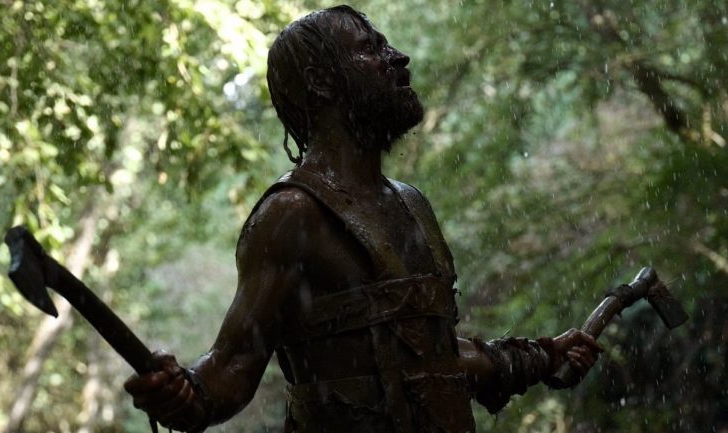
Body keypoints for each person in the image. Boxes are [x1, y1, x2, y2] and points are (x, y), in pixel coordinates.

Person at [124, 5, 602, 433]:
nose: (398, 57)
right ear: (321, 81)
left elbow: (435, 357)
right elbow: (230, 369)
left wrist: (542, 356)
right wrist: (184, 394)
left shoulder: (411, 203)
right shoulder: (291, 215)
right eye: (370, 49)